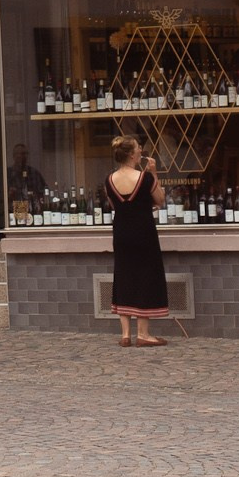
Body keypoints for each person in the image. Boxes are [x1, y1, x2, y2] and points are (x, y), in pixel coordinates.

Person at [102, 135, 169, 346]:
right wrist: (154, 173)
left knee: (123, 274)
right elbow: (160, 200)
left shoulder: (109, 180)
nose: (141, 150)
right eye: (139, 148)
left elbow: (114, 205)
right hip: (143, 232)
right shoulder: (145, 178)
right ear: (132, 154)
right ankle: (143, 334)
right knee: (145, 276)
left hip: (121, 232)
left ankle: (125, 334)